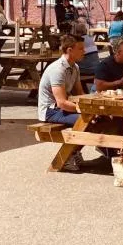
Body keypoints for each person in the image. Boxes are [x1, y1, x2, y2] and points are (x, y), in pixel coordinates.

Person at [37, 35, 85, 171]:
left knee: (95, 119)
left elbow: (80, 93)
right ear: (70, 50)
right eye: (80, 49)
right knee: (88, 120)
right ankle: (68, 155)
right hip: (50, 111)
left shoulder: (75, 67)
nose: (84, 51)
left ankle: (74, 152)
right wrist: (85, 110)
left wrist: (90, 106)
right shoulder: (57, 69)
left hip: (62, 109)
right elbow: (61, 103)